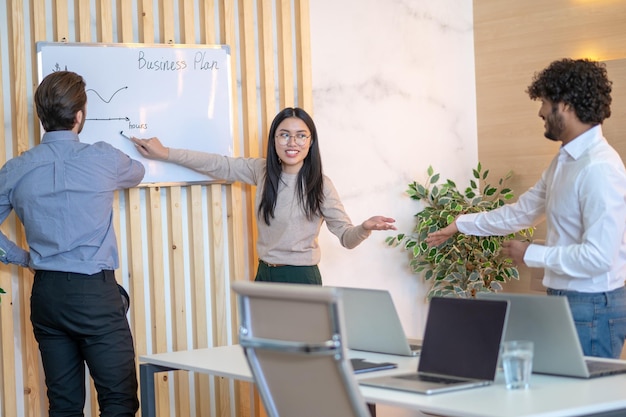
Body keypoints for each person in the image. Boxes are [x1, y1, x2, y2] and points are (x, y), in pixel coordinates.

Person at [426, 58, 626, 359]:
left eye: (545, 101)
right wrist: (460, 224)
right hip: (567, 300)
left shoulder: (599, 168)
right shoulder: (565, 160)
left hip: (593, 305)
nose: (541, 111)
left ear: (567, 105)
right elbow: (522, 212)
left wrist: (529, 253)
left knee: (586, 405)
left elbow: (599, 257)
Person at [0, 71, 145, 416]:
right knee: (119, 401)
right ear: (79, 116)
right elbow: (137, 173)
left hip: (47, 296)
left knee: (63, 406)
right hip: (95, 297)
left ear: (41, 117)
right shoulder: (103, 158)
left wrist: (23, 258)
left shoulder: (17, 168)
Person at [131, 106, 396, 285]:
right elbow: (217, 163)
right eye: (284, 135)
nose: (292, 143)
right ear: (274, 140)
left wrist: (364, 227)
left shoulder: (320, 185)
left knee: (298, 362)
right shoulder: (261, 171)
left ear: (311, 142)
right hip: (264, 275)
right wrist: (165, 153)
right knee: (266, 356)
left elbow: (347, 239)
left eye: (301, 136)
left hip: (301, 278)